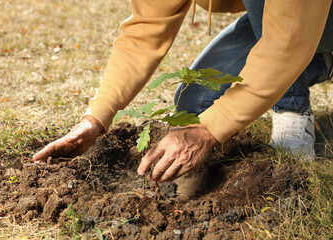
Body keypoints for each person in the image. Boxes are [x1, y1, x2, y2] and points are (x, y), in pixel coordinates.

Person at [33, 0, 333, 185]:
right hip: (283, 19)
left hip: (313, 15)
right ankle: (320, 59)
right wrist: (96, 117)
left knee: (286, 42)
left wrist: (207, 132)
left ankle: (293, 107)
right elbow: (144, 31)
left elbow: (286, 43)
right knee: (196, 102)